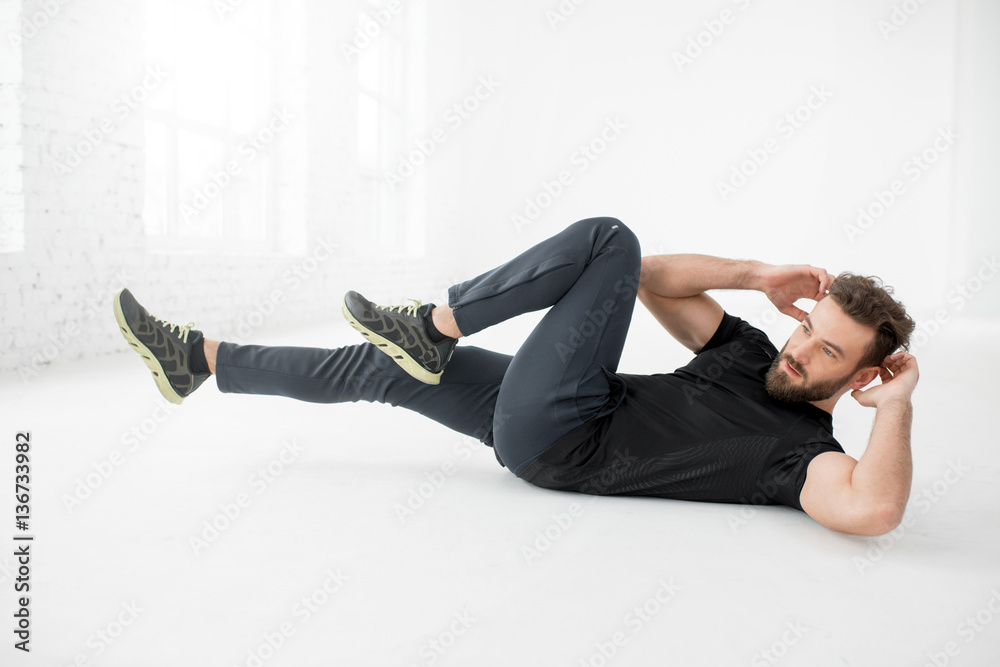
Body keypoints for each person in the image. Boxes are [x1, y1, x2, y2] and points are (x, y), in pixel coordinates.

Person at [113, 217, 918, 536]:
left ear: (862, 375)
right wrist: (754, 271)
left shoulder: (803, 451)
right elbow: (656, 281)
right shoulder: (750, 354)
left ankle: (433, 327)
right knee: (381, 367)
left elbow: (874, 507)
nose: (799, 350)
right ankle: (198, 360)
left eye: (826, 352)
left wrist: (896, 405)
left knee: (608, 237)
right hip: (562, 414)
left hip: (569, 437)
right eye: (807, 329)